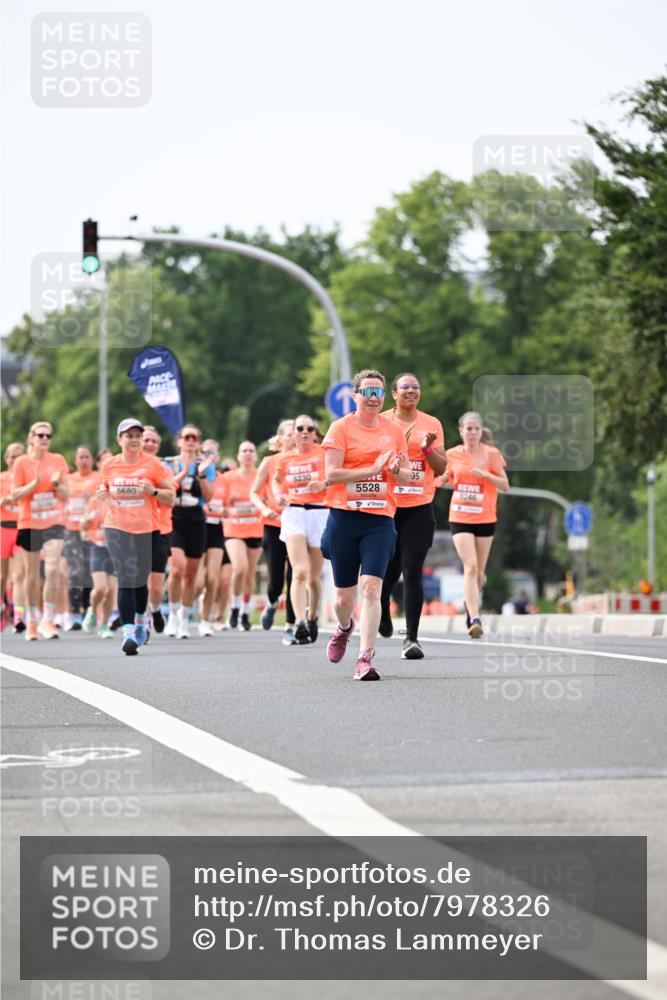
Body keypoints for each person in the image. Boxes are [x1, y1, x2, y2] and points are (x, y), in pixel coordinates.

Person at [321, 369, 411, 680]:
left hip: (380, 519)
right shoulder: (341, 428)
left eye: (378, 393)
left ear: (384, 397)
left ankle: (365, 658)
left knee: (372, 587)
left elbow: (408, 475)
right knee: (344, 599)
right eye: (367, 392)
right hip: (344, 517)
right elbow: (331, 474)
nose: (373, 398)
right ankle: (345, 627)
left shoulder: (394, 430)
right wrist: (371, 468)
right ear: (356, 395)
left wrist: (397, 470)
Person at [380, 373, 447, 658]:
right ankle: (382, 605)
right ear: (394, 393)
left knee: (412, 570)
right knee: (389, 569)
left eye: (416, 387)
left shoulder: (431, 424)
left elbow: (441, 467)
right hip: (387, 505)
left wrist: (427, 449)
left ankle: (412, 638)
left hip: (419, 505)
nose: (411, 391)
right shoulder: (381, 421)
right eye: (405, 387)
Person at [97, 418, 175, 655]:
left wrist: (151, 490)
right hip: (116, 527)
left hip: (146, 528)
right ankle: (128, 631)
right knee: (125, 576)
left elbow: (170, 497)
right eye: (128, 435)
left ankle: (141, 620)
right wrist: (103, 494)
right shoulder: (109, 465)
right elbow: (104, 490)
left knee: (141, 581)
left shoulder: (153, 464)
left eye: (137, 435)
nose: (133, 439)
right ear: (119, 439)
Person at [444, 411, 509, 638]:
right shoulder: (451, 454)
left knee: (479, 573)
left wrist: (486, 475)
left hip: (485, 517)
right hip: (460, 516)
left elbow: (505, 485)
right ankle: (475, 617)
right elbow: (442, 477)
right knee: (470, 566)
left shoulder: (491, 454)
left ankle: (469, 608)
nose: (472, 432)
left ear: (481, 432)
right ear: (461, 431)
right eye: (468, 428)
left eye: (476, 429)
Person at [272, 415, 328, 645]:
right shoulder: (285, 458)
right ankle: (299, 623)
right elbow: (276, 480)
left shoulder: (324, 453)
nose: (305, 432)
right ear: (293, 433)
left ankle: (313, 616)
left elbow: (337, 475)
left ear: (315, 432)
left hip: (320, 512)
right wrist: (278, 495)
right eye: (300, 428)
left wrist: (324, 484)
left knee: (314, 578)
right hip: (294, 512)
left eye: (309, 428)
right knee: (300, 571)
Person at [11, 421, 69, 641]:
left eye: (48, 435)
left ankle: (49, 618)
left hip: (53, 522)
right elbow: (15, 495)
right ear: (31, 438)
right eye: (40, 435)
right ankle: (32, 621)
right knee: (32, 576)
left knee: (53, 570)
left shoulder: (58, 460)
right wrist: (33, 485)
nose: (44, 439)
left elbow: (66, 493)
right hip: (29, 523)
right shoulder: (21, 463)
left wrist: (56, 485)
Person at [163, 425, 216, 638]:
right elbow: (166, 487)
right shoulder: (168, 463)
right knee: (176, 569)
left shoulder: (204, 465)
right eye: (187, 437)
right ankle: (173, 615)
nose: (191, 440)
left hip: (195, 517)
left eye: (195, 437)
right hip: (174, 516)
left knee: (192, 573)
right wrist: (184, 472)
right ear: (179, 441)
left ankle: (185, 617)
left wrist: (201, 475)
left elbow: (209, 497)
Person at [249, 419, 297, 644]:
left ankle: (290, 625)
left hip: (298, 524)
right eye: (289, 434)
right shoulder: (269, 462)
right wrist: (265, 509)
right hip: (274, 524)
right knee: (275, 581)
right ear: (279, 439)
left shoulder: (306, 460)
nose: (294, 437)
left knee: (296, 575)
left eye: (297, 433)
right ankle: (271, 603)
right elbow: (254, 492)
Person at [220, 441, 263, 630]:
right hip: (234, 530)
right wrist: (227, 506)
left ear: (255, 456)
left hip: (256, 529)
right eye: (244, 451)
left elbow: (269, 495)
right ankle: (235, 607)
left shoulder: (260, 475)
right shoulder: (228, 477)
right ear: (238, 456)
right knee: (239, 568)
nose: (247, 454)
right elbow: (218, 499)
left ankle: (245, 611)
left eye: (250, 451)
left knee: (249, 573)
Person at [141, 426, 175, 633]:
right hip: (136, 530)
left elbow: (170, 500)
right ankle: (142, 621)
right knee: (139, 580)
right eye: (146, 440)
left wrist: (151, 491)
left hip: (160, 529)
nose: (150, 444)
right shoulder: (130, 468)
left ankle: (154, 608)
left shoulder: (165, 469)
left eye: (154, 441)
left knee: (155, 585)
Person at [62, 445, 99, 630]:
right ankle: (74, 613)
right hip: (71, 529)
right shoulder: (68, 479)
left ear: (91, 460)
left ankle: (88, 610)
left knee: (89, 571)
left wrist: (91, 498)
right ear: (75, 461)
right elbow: (59, 496)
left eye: (87, 456)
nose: (84, 460)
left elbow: (104, 499)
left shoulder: (98, 478)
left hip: (91, 530)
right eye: (80, 457)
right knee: (74, 571)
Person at [197, 438, 229, 637]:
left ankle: (204, 620)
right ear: (200, 455)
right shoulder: (196, 476)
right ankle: (180, 610)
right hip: (198, 527)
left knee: (213, 579)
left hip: (217, 529)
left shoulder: (224, 479)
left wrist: (226, 510)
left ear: (217, 457)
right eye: (206, 452)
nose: (209, 456)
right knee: (198, 581)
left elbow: (230, 503)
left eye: (213, 453)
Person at [80, 494, 117, 638]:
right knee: (101, 588)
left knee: (111, 590)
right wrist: (88, 518)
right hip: (98, 547)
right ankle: (93, 610)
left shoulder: (121, 500)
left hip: (115, 549)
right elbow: (82, 526)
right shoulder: (94, 501)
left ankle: (104, 625)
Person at [0, 442, 26, 632]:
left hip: (20, 529)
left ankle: (18, 615)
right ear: (6, 459)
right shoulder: (1, 479)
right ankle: (2, 608)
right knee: (2, 577)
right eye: (12, 456)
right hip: (3, 529)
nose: (15, 460)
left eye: (19, 456)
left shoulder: (27, 479)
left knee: (18, 575)